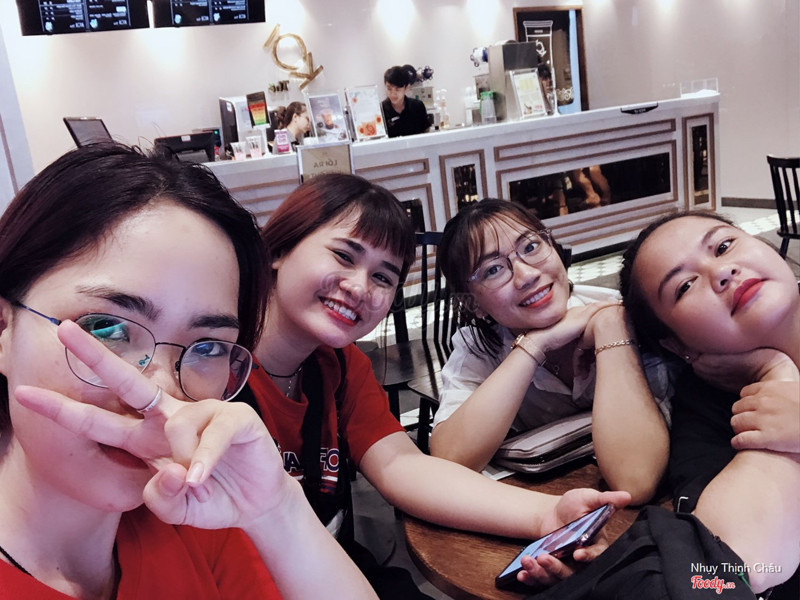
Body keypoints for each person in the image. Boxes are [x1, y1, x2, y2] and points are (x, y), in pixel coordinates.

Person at [0, 144, 377, 599]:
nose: (157, 390)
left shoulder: (189, 510)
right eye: (107, 328)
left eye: (208, 347)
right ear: (4, 328)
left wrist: (277, 510)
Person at [243, 174, 630, 596]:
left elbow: (401, 466)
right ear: (279, 249)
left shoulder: (340, 365)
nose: (359, 287)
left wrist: (549, 515)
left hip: (329, 566)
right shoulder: (212, 368)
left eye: (383, 277)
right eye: (343, 255)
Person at [429, 199, 671, 504]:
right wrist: (534, 346)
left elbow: (635, 479)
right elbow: (450, 461)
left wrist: (611, 324)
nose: (526, 275)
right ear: (472, 303)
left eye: (530, 247)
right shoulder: (480, 347)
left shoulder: (622, 312)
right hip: (557, 506)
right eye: (493, 270)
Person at [381, 65, 430, 138]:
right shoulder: (381, 111)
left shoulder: (417, 106)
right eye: (389, 89)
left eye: (397, 89)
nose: (393, 93)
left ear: (406, 87)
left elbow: (426, 132)